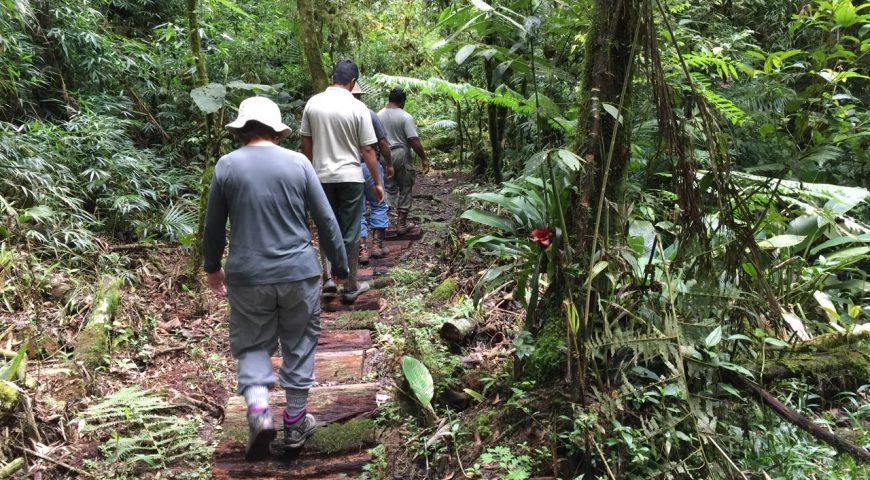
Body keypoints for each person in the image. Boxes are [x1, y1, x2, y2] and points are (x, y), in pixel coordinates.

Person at [203, 97, 348, 460]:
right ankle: (296, 422)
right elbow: (327, 219)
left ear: (242, 130)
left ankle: (258, 412)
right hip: (299, 272)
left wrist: (211, 266)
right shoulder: (298, 163)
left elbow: (213, 224)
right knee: (299, 343)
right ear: (275, 131)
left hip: (248, 275)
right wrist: (341, 265)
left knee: (252, 344)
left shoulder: (227, 165)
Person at [300, 60, 384, 302]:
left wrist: (312, 168)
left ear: (332, 76)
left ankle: (327, 279)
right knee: (351, 229)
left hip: (321, 177)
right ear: (353, 81)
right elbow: (367, 149)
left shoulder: (313, 103)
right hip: (351, 177)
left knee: (326, 227)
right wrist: (377, 182)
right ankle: (349, 284)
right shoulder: (357, 107)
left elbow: (306, 140)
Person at [378, 86, 429, 234]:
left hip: (384, 155)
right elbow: (413, 139)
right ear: (402, 100)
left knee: (388, 188)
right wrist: (424, 158)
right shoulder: (405, 117)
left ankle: (381, 223)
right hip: (401, 154)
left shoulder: (378, 115)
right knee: (406, 187)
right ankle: (401, 224)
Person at [351, 82, 393, 263]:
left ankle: (361, 249)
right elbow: (382, 142)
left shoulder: (338, 115)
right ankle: (377, 244)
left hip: (349, 168)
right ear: (359, 96)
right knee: (378, 202)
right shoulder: (369, 114)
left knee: (357, 210)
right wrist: (389, 163)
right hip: (370, 166)